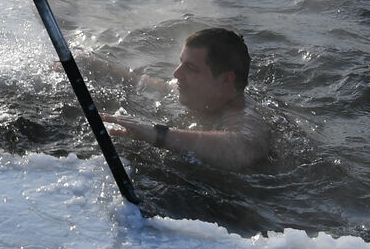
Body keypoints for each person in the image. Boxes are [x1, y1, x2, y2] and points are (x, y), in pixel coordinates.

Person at [100, 28, 271, 170]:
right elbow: (140, 81)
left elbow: (242, 149)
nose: (176, 73)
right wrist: (90, 63)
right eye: (181, 62)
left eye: (190, 68)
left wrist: (157, 134)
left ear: (226, 80)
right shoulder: (196, 94)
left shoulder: (249, 119)